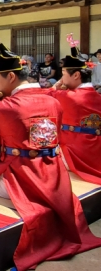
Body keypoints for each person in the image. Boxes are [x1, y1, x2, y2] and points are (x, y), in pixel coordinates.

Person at [0, 42, 101, 270]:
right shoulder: (54, 101)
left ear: (10, 77)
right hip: (53, 176)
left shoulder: (4, 107)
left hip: (22, 177)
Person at [47, 44, 101, 185]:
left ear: (76, 75)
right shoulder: (97, 96)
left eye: (63, 74)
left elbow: (43, 98)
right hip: (95, 152)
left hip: (75, 152)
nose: (61, 78)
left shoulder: (68, 96)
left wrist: (55, 87)